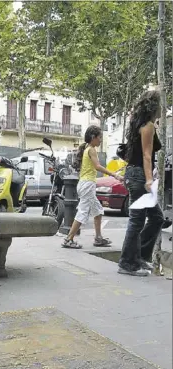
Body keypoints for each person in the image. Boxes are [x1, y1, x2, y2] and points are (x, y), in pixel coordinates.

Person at [118, 90, 164, 276]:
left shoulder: (143, 124)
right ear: (154, 107)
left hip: (135, 174)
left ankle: (140, 257)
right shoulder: (148, 126)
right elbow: (146, 155)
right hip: (139, 176)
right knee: (136, 221)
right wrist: (149, 180)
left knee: (156, 217)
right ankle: (127, 263)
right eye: (161, 105)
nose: (164, 108)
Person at [62, 125, 123, 249]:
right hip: (87, 185)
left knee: (98, 211)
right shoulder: (91, 150)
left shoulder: (87, 149)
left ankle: (98, 238)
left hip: (85, 184)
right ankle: (69, 239)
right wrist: (114, 175)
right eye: (99, 137)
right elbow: (97, 166)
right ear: (93, 137)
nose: (101, 140)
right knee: (83, 212)